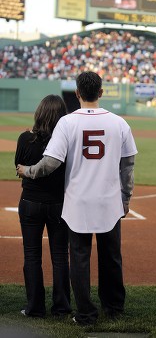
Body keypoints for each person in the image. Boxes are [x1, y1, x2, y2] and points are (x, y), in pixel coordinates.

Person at [17, 71, 138, 326]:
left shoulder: (68, 122)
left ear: (78, 94)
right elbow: (128, 165)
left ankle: (85, 314)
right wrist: (125, 198)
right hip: (109, 201)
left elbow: (50, 163)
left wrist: (27, 171)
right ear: (101, 93)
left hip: (78, 201)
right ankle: (114, 307)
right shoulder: (119, 122)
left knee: (80, 258)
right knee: (111, 256)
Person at [15, 95, 71, 318]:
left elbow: (18, 166)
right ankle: (62, 308)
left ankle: (35, 307)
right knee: (60, 257)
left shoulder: (24, 138)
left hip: (30, 202)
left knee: (31, 256)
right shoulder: (66, 140)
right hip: (58, 204)